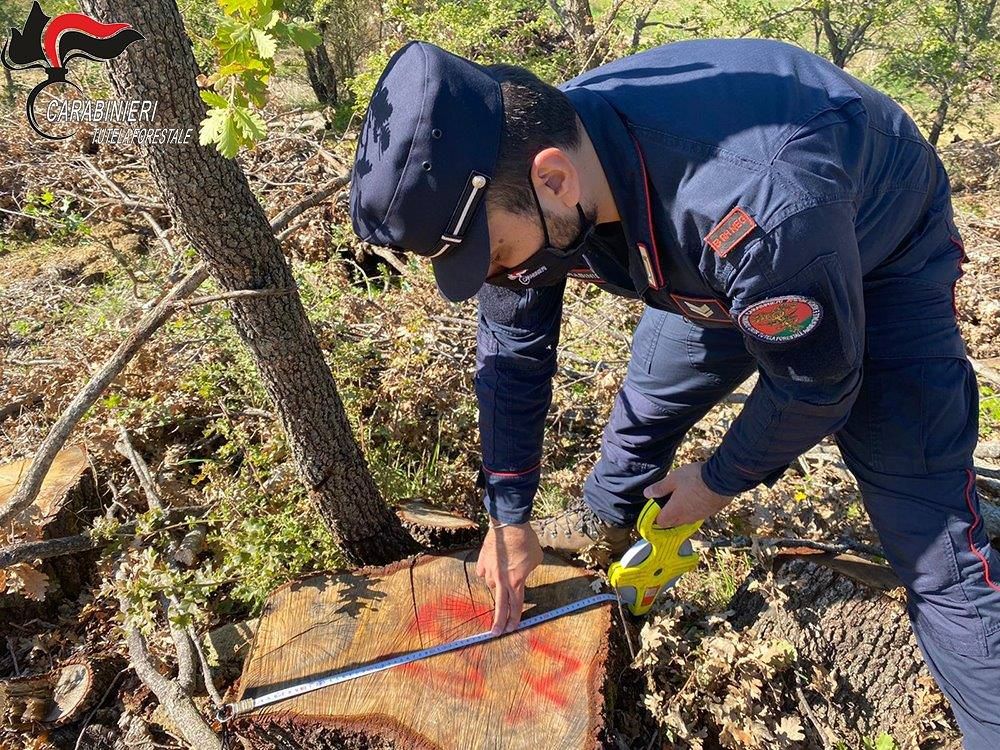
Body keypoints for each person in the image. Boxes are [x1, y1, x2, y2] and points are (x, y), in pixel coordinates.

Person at [348, 38, 1000, 747]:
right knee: (649, 403)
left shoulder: (757, 202)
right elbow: (512, 348)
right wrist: (508, 514)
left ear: (555, 179)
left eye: (497, 255)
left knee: (930, 536)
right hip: (723, 262)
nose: (498, 277)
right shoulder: (527, 150)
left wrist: (719, 481)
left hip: (877, 249)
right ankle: (609, 522)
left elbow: (816, 385)